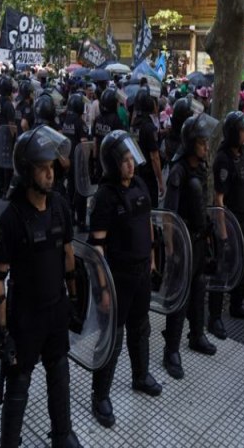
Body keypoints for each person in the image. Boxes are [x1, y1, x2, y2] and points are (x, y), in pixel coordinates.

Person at [0, 126, 82, 448]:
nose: (49, 173)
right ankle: (9, 442)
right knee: (19, 383)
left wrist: (73, 298)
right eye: (42, 168)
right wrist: (3, 335)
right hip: (24, 317)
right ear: (27, 172)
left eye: (51, 166)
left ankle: (62, 433)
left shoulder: (60, 206)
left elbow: (67, 252)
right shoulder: (10, 220)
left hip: (55, 310)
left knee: (60, 373)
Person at [88, 130, 162, 428]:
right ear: (111, 164)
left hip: (142, 271)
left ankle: (140, 375)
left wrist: (154, 260)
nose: (130, 165)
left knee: (140, 326)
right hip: (117, 276)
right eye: (124, 160)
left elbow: (148, 222)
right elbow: (97, 247)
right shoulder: (105, 196)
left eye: (132, 158)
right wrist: (103, 287)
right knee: (112, 336)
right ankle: (100, 395)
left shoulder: (140, 184)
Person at [162, 114, 218, 380]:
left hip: (198, 239)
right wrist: (172, 251)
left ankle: (197, 334)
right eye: (202, 142)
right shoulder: (179, 171)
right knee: (180, 296)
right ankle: (170, 349)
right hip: (183, 242)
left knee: (199, 289)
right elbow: (168, 216)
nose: (206, 146)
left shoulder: (200, 168)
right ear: (190, 143)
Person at [207, 112, 244, 340]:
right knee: (222, 269)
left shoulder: (242, 152)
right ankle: (214, 317)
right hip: (229, 222)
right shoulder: (223, 159)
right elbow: (219, 200)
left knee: (242, 264)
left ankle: (236, 304)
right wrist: (224, 236)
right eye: (242, 130)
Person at [62, 93, 90, 231]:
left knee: (70, 189)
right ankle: (81, 222)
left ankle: (71, 218)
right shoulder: (80, 122)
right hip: (78, 162)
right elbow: (84, 144)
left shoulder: (65, 119)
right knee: (81, 191)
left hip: (68, 159)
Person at [133, 90, 164, 207]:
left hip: (136, 173)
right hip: (148, 175)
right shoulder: (150, 127)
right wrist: (160, 181)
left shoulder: (135, 123)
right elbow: (154, 157)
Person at [0, 75, 17, 199]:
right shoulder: (8, 105)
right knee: (8, 165)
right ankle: (6, 191)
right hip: (7, 139)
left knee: (0, 164)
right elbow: (12, 125)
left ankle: (0, 190)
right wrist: (16, 138)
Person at [93, 88, 124, 182]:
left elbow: (95, 140)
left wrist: (94, 159)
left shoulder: (98, 119)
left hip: (99, 161)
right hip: (112, 163)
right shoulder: (116, 120)